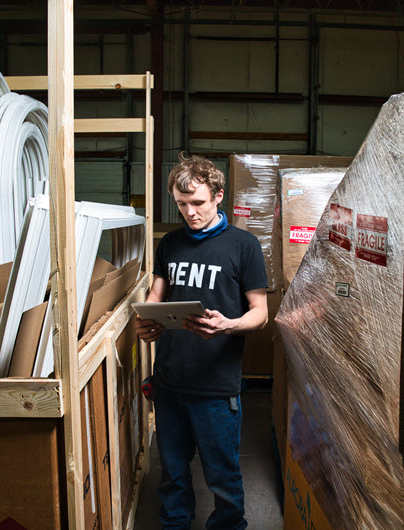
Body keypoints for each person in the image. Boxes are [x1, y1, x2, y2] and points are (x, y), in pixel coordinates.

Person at [136, 153, 268, 529]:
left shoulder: (243, 245)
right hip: (169, 382)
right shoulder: (171, 243)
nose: (190, 212)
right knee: (173, 473)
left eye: (198, 203)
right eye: (182, 205)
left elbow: (260, 313)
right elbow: (156, 297)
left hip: (215, 386)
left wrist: (228, 325)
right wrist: (145, 323)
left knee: (222, 477)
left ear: (218, 196)